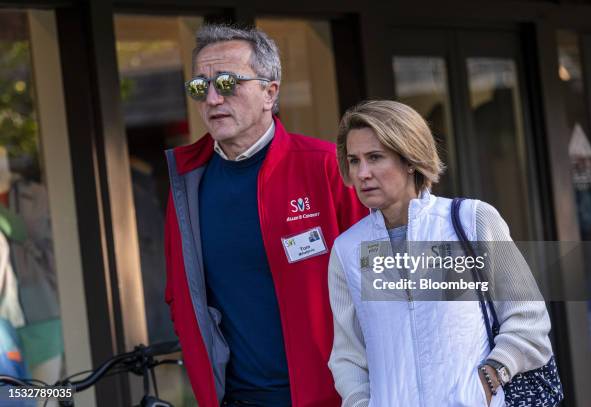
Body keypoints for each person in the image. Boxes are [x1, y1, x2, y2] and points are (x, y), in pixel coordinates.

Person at [164, 24, 367, 407]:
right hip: (238, 400)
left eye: (226, 83)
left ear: (269, 92)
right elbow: (180, 295)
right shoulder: (187, 185)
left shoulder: (327, 167)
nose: (211, 98)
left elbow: (381, 282)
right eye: (199, 87)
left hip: (338, 396)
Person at [328, 100, 554, 406]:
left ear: (409, 160)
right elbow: (348, 356)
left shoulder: (471, 221)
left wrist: (488, 380)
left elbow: (529, 320)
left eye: (375, 157)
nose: (363, 173)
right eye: (354, 161)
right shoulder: (348, 251)